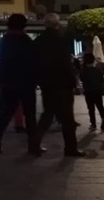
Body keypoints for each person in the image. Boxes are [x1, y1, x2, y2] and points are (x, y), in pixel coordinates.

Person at [33, 13, 83, 157]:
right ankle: (70, 148)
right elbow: (66, 64)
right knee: (67, 118)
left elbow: (35, 64)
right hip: (63, 84)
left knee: (47, 115)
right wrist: (74, 82)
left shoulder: (38, 41)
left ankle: (34, 143)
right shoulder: (61, 40)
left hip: (47, 84)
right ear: (57, 25)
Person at [0, 14, 38, 155]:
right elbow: (32, 62)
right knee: (30, 114)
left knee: (6, 111)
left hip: (8, 82)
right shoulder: (26, 41)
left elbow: (1, 61)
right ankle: (33, 145)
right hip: (26, 82)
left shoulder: (4, 41)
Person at [80, 52, 104, 130]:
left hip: (88, 91)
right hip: (97, 91)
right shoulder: (97, 70)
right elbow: (101, 79)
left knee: (91, 108)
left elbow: (82, 79)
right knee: (100, 106)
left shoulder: (84, 71)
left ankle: (93, 124)